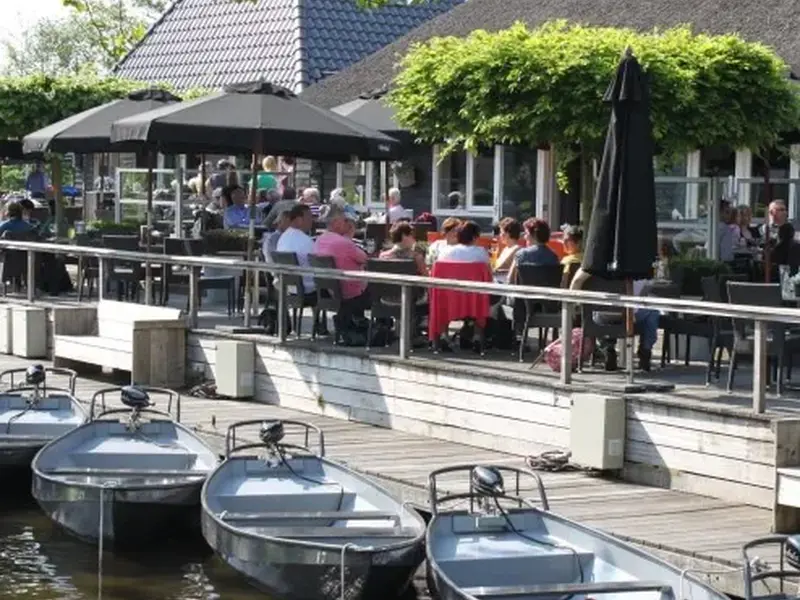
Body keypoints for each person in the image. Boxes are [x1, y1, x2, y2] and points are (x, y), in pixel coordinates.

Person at [312, 204, 369, 318]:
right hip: (350, 293)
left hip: (328, 291)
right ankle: (379, 328)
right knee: (383, 289)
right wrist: (350, 236)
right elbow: (365, 259)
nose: (348, 224)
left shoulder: (319, 240)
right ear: (336, 222)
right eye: (345, 220)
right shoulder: (343, 242)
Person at [276, 203, 316, 293]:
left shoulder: (283, 237)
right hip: (308, 288)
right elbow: (317, 261)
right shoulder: (305, 240)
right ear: (299, 220)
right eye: (309, 218)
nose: (312, 221)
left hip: (288, 287)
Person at [507, 218, 559, 283]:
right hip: (545, 292)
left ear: (534, 234)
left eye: (526, 233)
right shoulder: (554, 257)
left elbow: (510, 280)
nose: (524, 237)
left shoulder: (521, 254)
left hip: (524, 292)